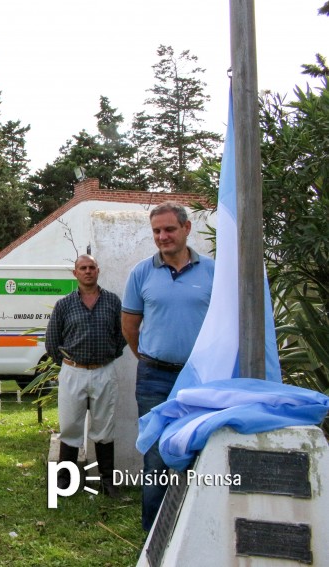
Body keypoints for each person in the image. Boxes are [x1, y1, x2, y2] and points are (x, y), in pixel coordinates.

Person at [122, 202, 215, 530]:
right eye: (157, 231)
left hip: (201, 378)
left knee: (203, 454)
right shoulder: (141, 273)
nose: (162, 236)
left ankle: (197, 533)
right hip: (154, 378)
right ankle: (154, 539)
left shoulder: (213, 271)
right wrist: (149, 357)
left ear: (186, 229)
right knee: (157, 457)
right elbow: (130, 326)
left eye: (169, 229)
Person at [46, 254, 126, 497]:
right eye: (83, 268)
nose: (88, 271)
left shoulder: (112, 302)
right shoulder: (64, 305)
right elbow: (52, 342)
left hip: (104, 371)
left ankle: (107, 483)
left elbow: (121, 336)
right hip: (73, 372)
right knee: (70, 426)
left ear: (98, 271)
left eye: (92, 267)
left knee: (104, 428)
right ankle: (65, 481)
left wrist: (108, 356)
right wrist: (69, 365)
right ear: (75, 273)